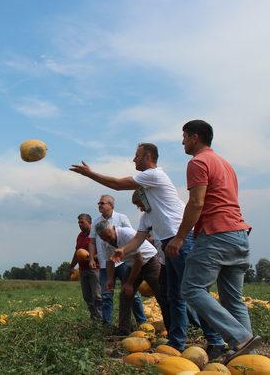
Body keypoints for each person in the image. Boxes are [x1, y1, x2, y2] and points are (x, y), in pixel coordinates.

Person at [71, 144, 224, 354]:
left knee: (192, 292)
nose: (134, 160)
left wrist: (90, 174)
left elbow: (117, 184)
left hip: (181, 239)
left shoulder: (155, 175)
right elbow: (139, 239)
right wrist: (122, 252)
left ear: (148, 157)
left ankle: (216, 340)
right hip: (170, 243)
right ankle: (177, 341)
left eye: (136, 156)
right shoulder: (148, 215)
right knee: (173, 295)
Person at [166, 120, 261, 362]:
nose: (182, 142)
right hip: (238, 234)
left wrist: (179, 237)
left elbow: (197, 202)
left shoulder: (198, 162)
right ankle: (248, 357)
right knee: (232, 299)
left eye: (185, 137)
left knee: (191, 289)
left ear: (195, 137)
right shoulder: (225, 164)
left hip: (216, 234)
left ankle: (240, 337)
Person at [96, 220, 165, 335]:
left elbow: (139, 259)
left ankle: (171, 326)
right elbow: (109, 262)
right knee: (124, 295)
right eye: (104, 238)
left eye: (109, 236)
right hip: (132, 265)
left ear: (113, 228)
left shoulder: (127, 234)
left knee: (161, 294)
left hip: (150, 261)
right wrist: (109, 279)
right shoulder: (105, 243)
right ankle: (124, 330)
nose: (108, 240)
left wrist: (129, 283)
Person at [88, 195, 146, 326]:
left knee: (131, 292)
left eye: (102, 203)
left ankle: (142, 321)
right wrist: (92, 257)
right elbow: (92, 241)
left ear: (111, 205)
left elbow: (133, 237)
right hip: (105, 262)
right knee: (106, 295)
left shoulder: (121, 218)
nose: (100, 205)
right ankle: (106, 324)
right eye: (99, 203)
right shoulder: (96, 222)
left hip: (123, 262)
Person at [131, 190, 171, 332]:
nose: (139, 208)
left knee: (178, 296)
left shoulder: (164, 210)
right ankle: (174, 332)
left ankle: (193, 326)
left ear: (146, 199)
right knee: (166, 297)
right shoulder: (146, 218)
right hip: (163, 260)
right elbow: (139, 238)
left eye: (139, 204)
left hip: (172, 256)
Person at [69, 213, 102, 321]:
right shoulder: (80, 236)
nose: (79, 224)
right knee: (87, 296)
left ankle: (102, 319)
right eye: (78, 222)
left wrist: (91, 258)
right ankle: (94, 318)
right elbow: (77, 252)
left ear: (89, 222)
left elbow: (103, 252)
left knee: (97, 295)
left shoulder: (96, 234)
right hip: (83, 270)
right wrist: (72, 265)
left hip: (95, 269)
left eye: (82, 222)